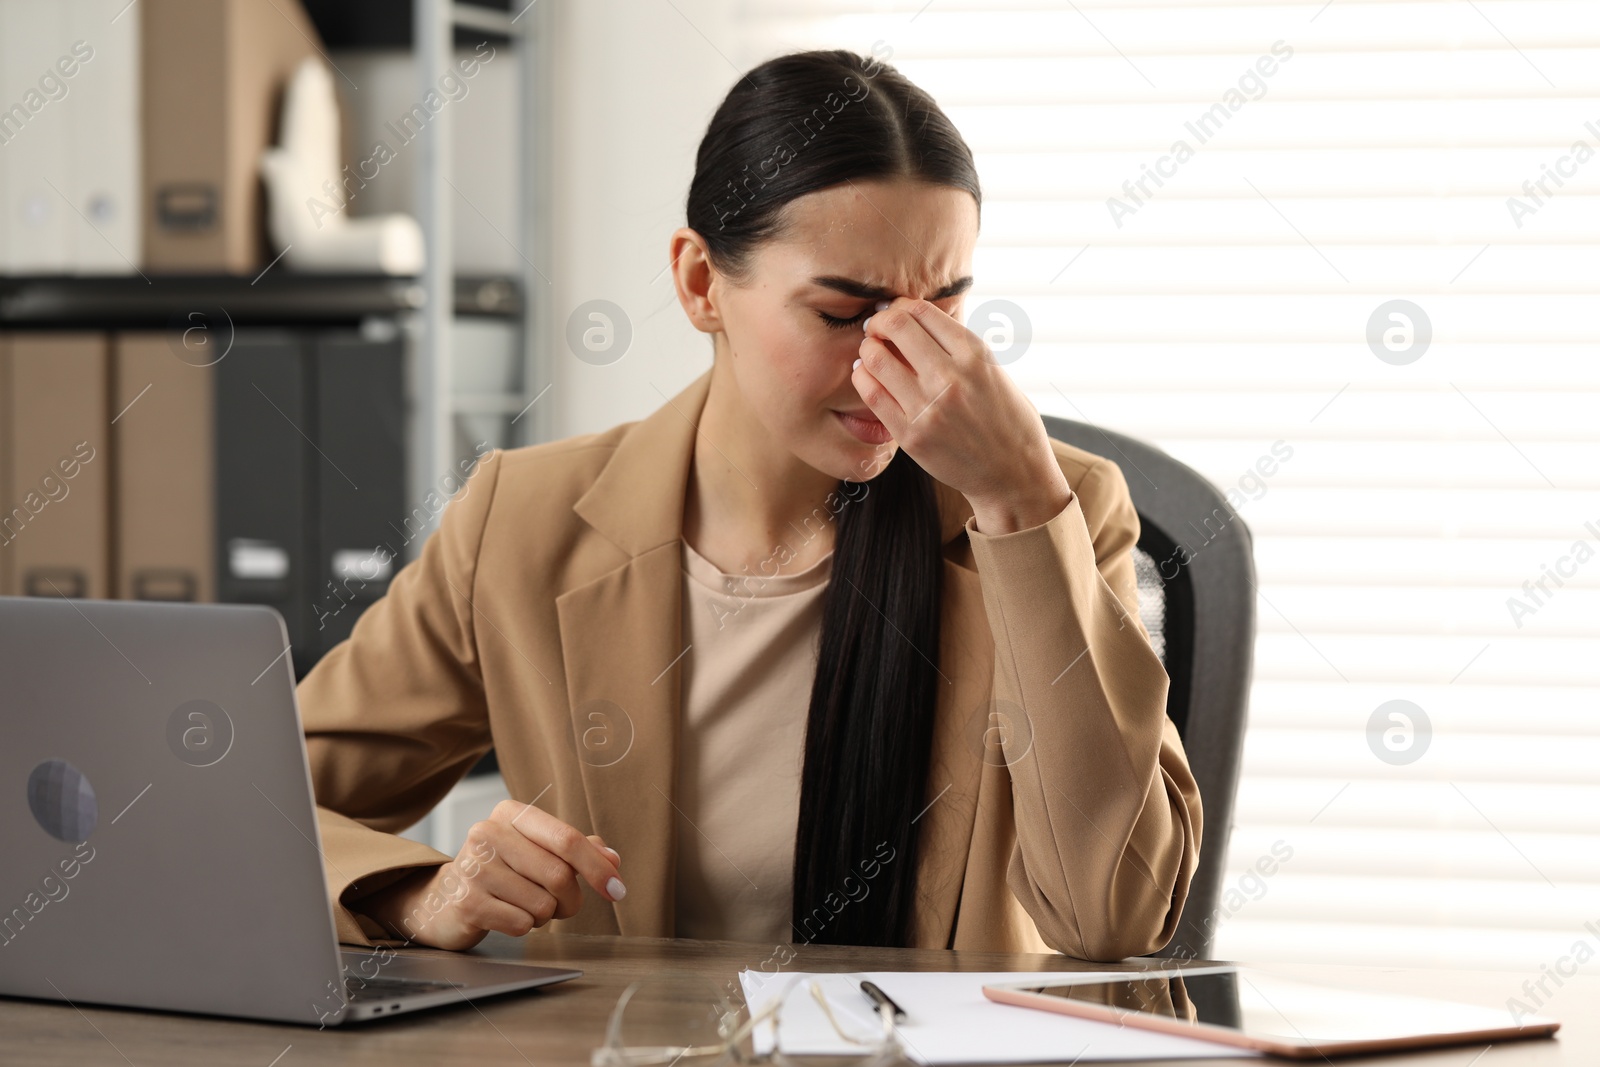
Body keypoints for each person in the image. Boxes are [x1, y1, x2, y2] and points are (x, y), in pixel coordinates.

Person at [298, 48, 1201, 961]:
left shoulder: (1057, 508)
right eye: (846, 311)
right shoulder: (522, 520)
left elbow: (1111, 916)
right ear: (700, 284)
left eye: (946, 308)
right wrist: (418, 891)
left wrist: (1019, 507)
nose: (902, 360)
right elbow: (251, 798)